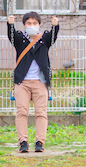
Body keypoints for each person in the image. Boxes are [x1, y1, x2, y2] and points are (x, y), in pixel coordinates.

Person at [7, 11, 59, 153]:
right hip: (22, 82)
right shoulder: (19, 39)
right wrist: (10, 24)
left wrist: (55, 26)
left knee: (41, 112)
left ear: (39, 24)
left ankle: (39, 142)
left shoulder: (44, 39)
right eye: (29, 23)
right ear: (24, 25)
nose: (32, 26)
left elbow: (53, 36)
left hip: (40, 81)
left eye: (34, 23)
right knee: (21, 112)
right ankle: (23, 141)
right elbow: (11, 35)